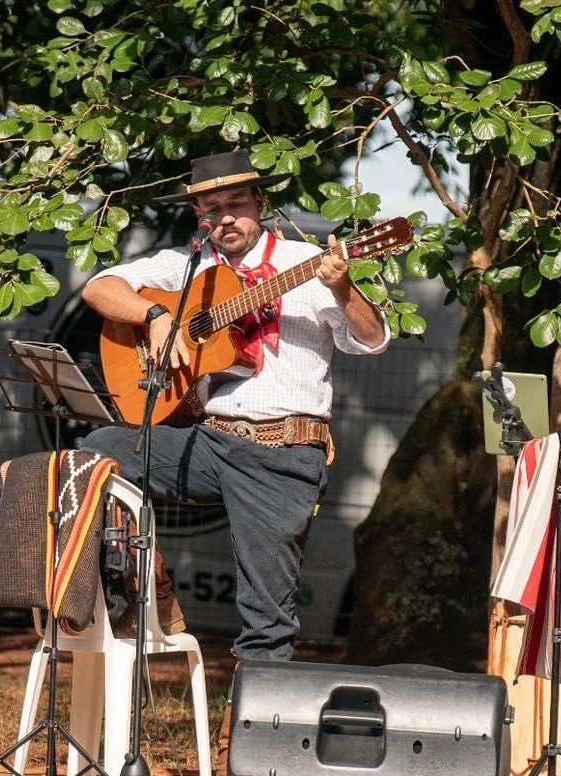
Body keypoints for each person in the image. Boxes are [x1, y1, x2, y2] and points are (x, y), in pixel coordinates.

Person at [78, 149, 390, 767]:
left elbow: (373, 338)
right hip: (210, 441)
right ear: (200, 215)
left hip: (282, 452)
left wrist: (344, 285)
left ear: (261, 207)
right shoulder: (185, 267)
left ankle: (250, 750)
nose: (225, 218)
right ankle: (146, 585)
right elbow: (97, 287)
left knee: (266, 619)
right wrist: (159, 315)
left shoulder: (307, 264)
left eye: (235, 206)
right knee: (98, 451)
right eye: (211, 208)